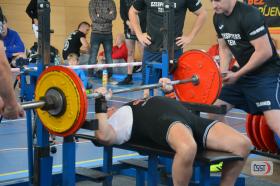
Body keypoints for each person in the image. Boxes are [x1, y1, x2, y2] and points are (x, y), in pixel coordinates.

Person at [93, 78, 251, 186]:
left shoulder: (130, 104)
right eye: (107, 110)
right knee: (187, 148)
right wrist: (100, 102)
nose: (110, 108)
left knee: (243, 145)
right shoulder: (116, 123)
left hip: (189, 119)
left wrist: (168, 87)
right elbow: (103, 136)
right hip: (164, 122)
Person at [209, 0, 280, 137]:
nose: (214, 5)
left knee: (274, 122)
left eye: (217, 0)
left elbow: (264, 51)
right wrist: (223, 73)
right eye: (211, 1)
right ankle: (235, 147)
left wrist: (237, 74)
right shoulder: (217, 17)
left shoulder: (249, 14)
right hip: (242, 75)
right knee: (214, 112)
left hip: (266, 75)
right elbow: (224, 49)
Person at [129, 0, 207, 85]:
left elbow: (202, 13)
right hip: (151, 49)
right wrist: (139, 34)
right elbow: (132, 11)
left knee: (171, 91)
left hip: (174, 51)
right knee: (147, 91)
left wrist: (190, 37)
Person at [0, 7, 24, 119]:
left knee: (21, 56)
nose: (3, 27)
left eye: (4, 23)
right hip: (5, 63)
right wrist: (11, 104)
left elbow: (21, 48)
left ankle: (20, 84)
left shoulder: (14, 34)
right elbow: (1, 66)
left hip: (11, 62)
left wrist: (5, 50)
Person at [117, 0, 146, 85]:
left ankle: (145, 78)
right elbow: (122, 13)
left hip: (142, 28)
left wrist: (136, 25)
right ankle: (129, 76)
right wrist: (129, 23)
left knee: (143, 53)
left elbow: (146, 12)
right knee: (130, 52)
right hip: (129, 28)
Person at [88, 0, 117, 77]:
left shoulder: (111, 2)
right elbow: (94, 18)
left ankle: (110, 74)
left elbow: (113, 16)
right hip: (95, 33)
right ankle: (90, 75)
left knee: (109, 56)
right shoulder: (92, 2)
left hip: (108, 34)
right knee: (93, 56)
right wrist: (107, 14)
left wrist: (99, 14)